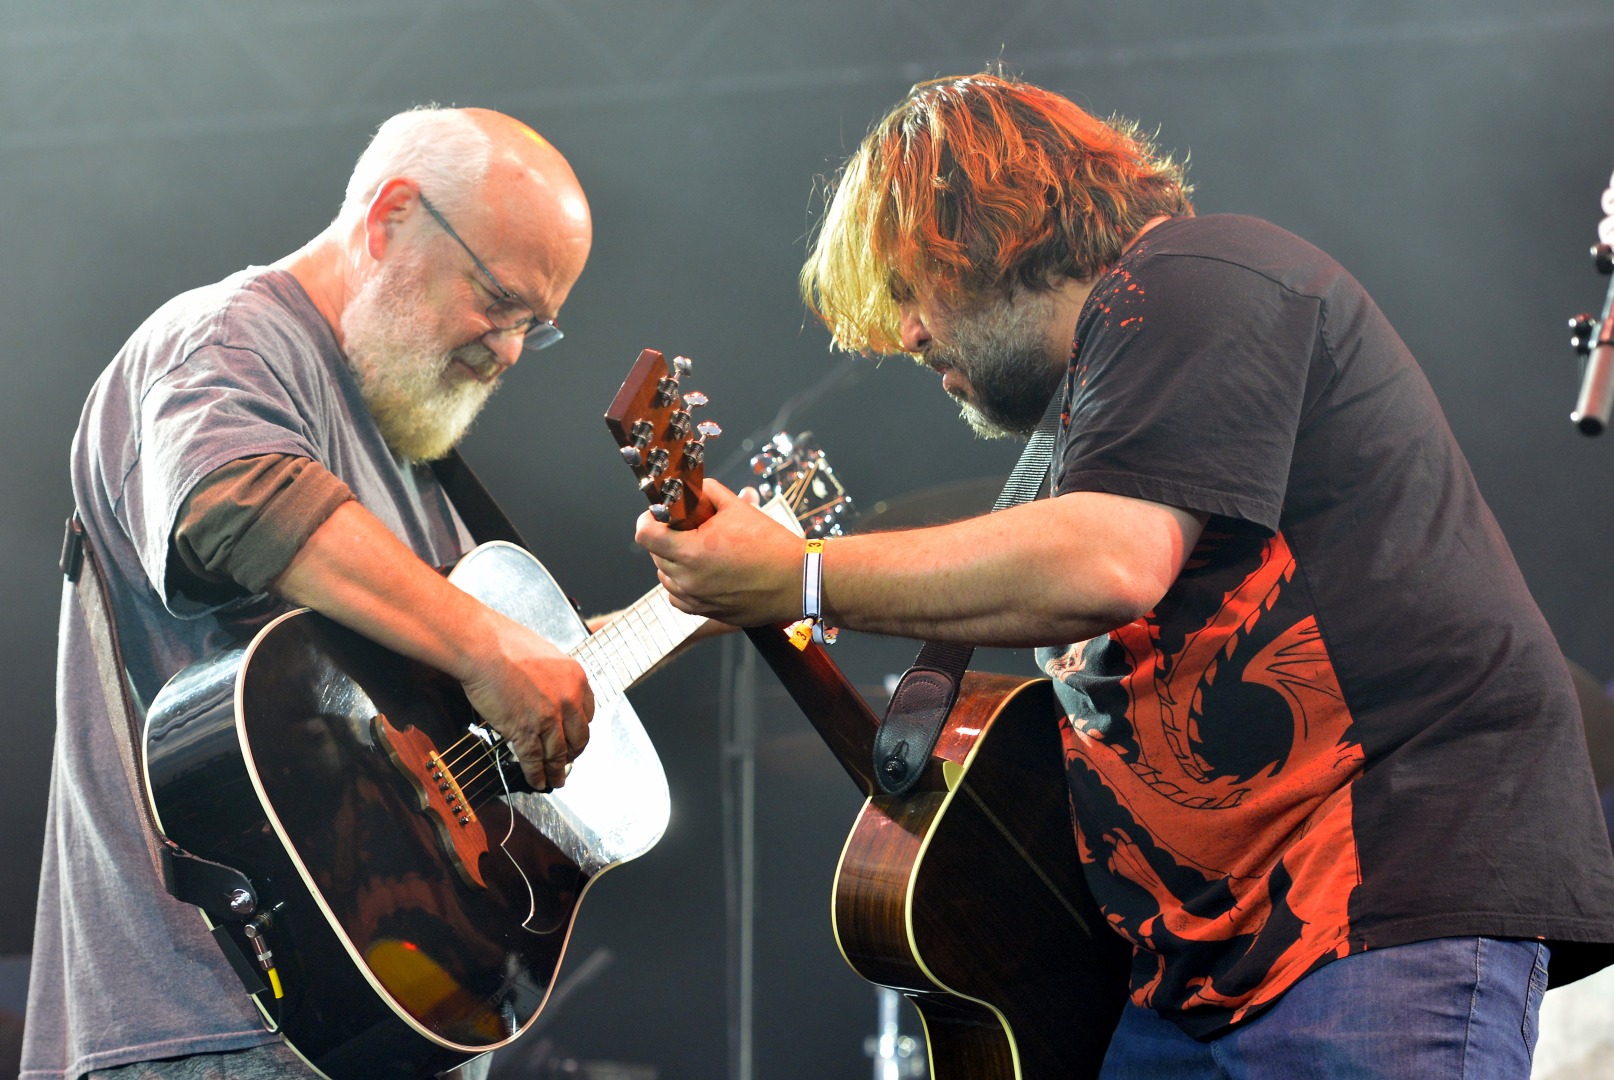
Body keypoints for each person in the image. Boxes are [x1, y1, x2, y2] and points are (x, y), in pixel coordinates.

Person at [636, 73, 1614, 1076]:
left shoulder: (1197, 272)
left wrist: (800, 576)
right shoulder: (1083, 423)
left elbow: (1107, 562)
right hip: (1190, 973)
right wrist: (729, 596)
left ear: (981, 229)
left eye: (905, 288)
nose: (908, 336)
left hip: (1376, 904)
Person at [25, 108, 597, 1079]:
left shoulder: (408, 441)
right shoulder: (222, 341)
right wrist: (489, 650)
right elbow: (232, 499)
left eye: (531, 329)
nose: (505, 351)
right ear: (388, 220)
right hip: (208, 1022)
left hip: (376, 1029)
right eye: (498, 301)